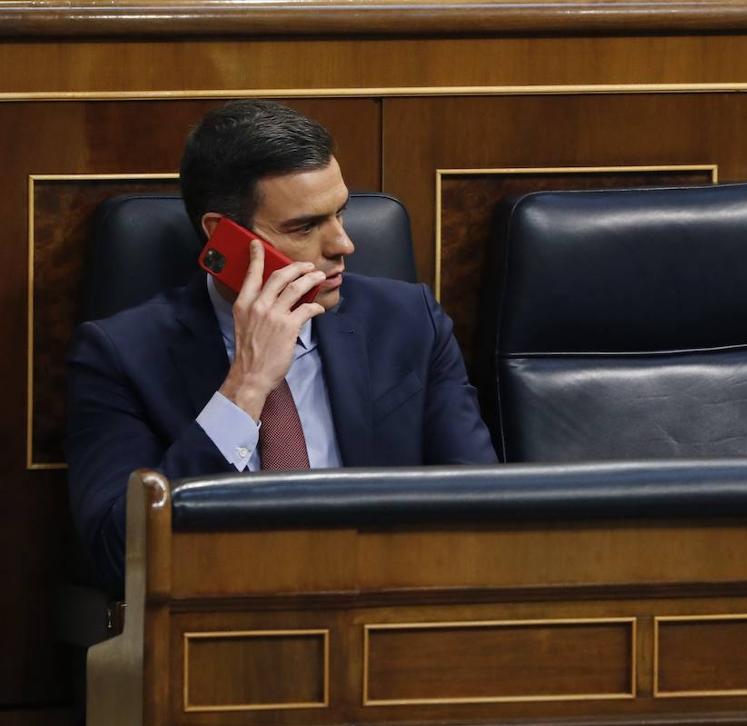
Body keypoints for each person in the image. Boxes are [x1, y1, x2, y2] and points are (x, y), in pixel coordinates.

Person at [65, 100, 497, 599]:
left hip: (389, 616)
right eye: (305, 227)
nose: (343, 245)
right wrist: (245, 388)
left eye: (341, 213)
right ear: (222, 236)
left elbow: (481, 511)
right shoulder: (120, 356)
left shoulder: (408, 322)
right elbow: (119, 555)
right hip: (218, 633)